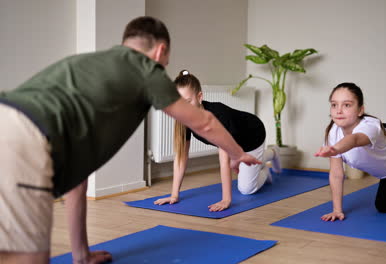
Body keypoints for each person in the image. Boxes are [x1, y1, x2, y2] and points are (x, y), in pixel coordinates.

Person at [0, 16, 261, 264]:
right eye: (165, 63)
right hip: (25, 140)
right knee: (24, 257)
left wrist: (81, 255)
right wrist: (238, 154)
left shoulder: (89, 68)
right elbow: (204, 122)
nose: (163, 70)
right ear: (160, 51)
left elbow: (77, 181)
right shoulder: (145, 69)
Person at [154, 70, 281, 212]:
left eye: (188, 101)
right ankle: (263, 159)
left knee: (246, 189)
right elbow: (180, 159)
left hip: (252, 135)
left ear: (200, 97)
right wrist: (174, 195)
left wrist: (226, 199)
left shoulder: (218, 116)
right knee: (243, 171)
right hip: (235, 144)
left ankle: (270, 155)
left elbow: (224, 161)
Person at [314, 82, 386, 221]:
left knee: (385, 206)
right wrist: (337, 210)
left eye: (347, 105)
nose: (338, 111)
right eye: (334, 104)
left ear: (360, 110)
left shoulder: (369, 126)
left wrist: (335, 149)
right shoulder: (333, 133)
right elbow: (337, 174)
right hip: (385, 138)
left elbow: (355, 140)